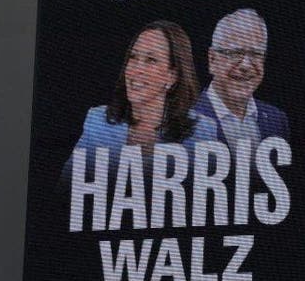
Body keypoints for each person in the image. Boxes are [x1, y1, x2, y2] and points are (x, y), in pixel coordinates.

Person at [63, 20, 218, 179]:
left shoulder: (202, 129)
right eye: (133, 57)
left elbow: (207, 200)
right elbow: (67, 191)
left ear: (172, 76)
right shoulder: (98, 120)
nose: (136, 69)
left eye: (151, 60)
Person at [194, 9, 289, 154]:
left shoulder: (277, 119)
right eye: (234, 53)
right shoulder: (181, 118)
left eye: (256, 54)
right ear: (212, 60)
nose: (245, 65)